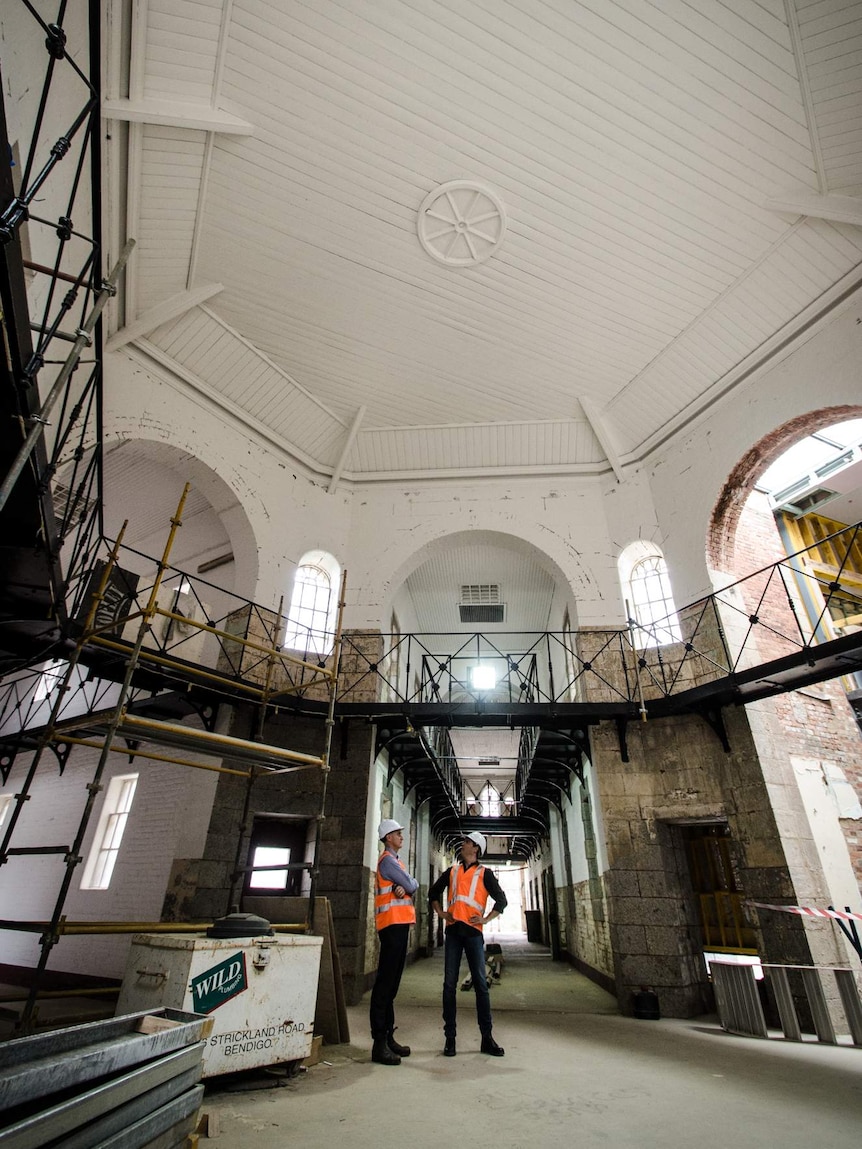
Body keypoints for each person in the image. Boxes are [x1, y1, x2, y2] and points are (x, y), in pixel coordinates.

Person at [429, 830, 507, 1057]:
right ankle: (450, 1038)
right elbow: (433, 893)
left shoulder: (485, 874)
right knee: (449, 985)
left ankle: (487, 1038)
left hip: (473, 934)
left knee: (481, 986)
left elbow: (501, 901)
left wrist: (485, 919)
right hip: (453, 933)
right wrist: (441, 914)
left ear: (476, 849)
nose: (463, 844)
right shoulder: (452, 871)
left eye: (467, 842)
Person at [369, 818, 419, 1066]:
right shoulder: (388, 861)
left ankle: (388, 1038)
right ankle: (379, 1043)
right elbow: (411, 884)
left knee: (392, 986)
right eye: (398, 833)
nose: (402, 837)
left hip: (398, 927)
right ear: (388, 837)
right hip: (391, 927)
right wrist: (407, 886)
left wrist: (408, 887)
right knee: (384, 985)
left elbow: (410, 886)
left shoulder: (395, 862)